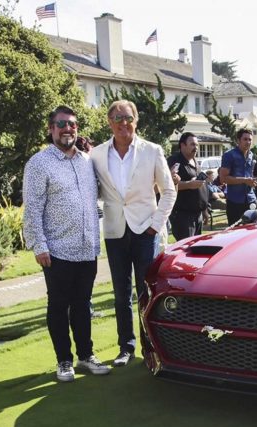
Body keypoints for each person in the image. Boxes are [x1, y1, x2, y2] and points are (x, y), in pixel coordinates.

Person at [23, 105, 109, 382]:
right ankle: (64, 361)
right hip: (56, 250)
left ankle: (86, 355)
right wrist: (39, 245)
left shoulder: (87, 161)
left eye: (71, 124)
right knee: (59, 306)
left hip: (87, 248)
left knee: (83, 305)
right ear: (51, 129)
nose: (67, 129)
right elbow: (33, 208)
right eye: (61, 124)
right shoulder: (39, 163)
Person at [91, 100, 176, 367]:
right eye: (117, 118)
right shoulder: (96, 154)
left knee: (146, 293)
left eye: (127, 118)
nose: (122, 123)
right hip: (115, 231)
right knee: (120, 293)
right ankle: (125, 347)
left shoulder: (152, 150)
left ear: (135, 121)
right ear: (109, 122)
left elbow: (169, 191)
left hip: (145, 231)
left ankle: (149, 346)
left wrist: (155, 225)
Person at [167, 132, 208, 240]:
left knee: (196, 249)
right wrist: (189, 184)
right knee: (186, 249)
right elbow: (167, 185)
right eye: (192, 144)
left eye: (197, 145)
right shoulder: (174, 161)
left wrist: (204, 210)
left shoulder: (195, 161)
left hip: (197, 214)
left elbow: (201, 188)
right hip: (182, 215)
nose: (196, 147)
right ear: (182, 145)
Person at [220, 128, 257, 224]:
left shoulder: (251, 154)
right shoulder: (229, 155)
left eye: (250, 139)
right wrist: (245, 180)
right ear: (238, 140)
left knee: (255, 230)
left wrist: (255, 181)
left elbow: (249, 174)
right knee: (236, 233)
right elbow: (223, 178)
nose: (248, 142)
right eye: (245, 139)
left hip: (250, 198)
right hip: (235, 201)